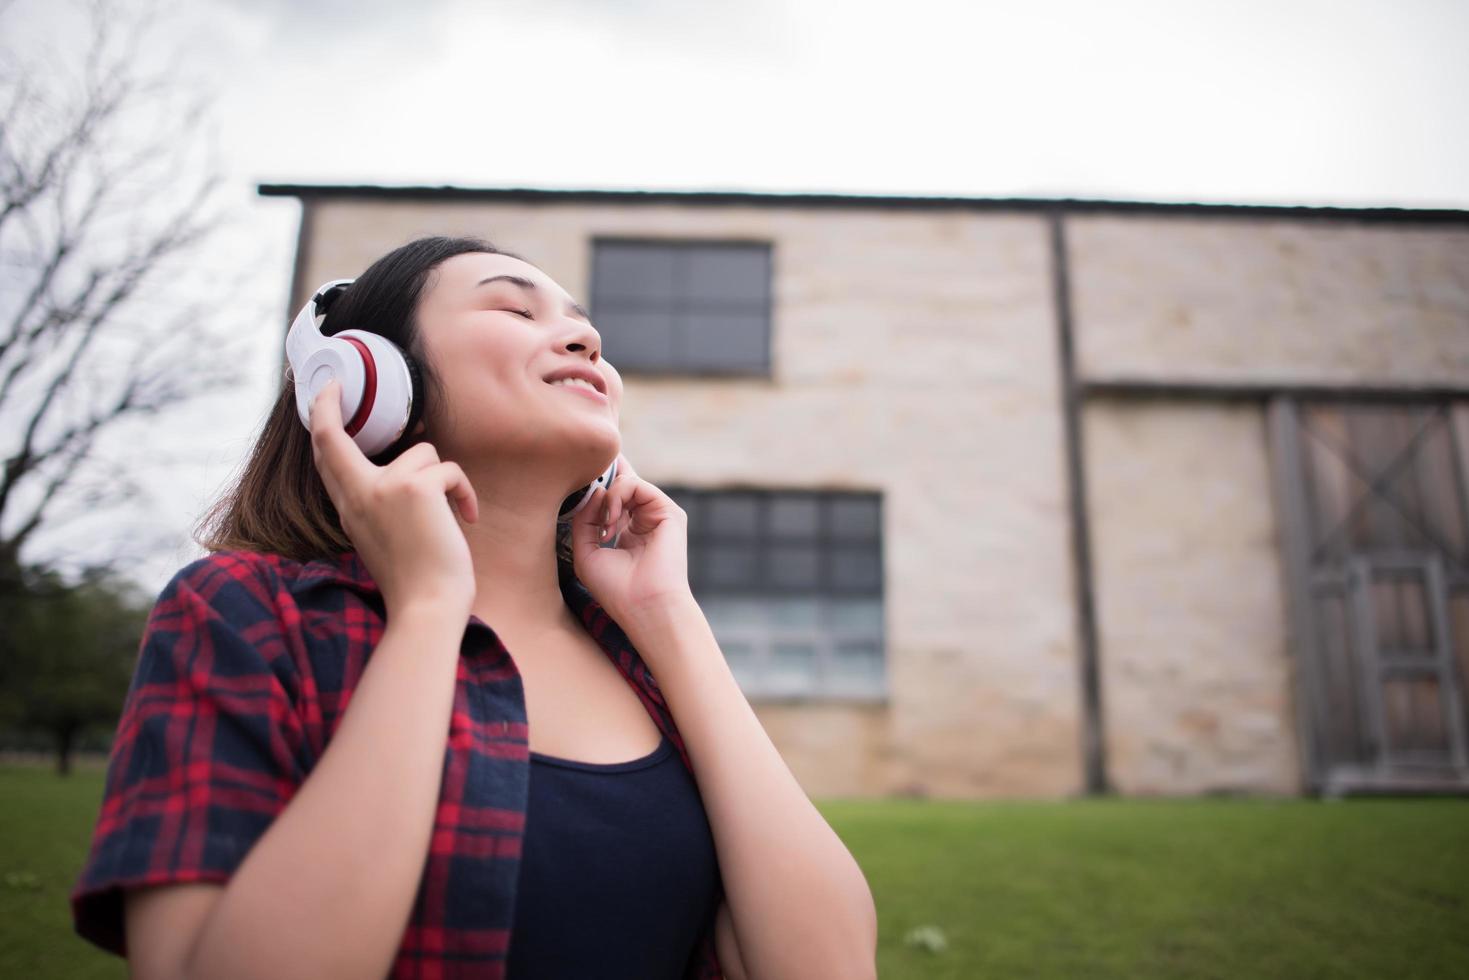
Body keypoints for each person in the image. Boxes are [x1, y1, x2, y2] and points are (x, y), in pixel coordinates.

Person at [69, 236, 879, 979]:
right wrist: (428, 608)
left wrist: (669, 615)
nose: (584, 340)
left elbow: (828, 968)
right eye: (514, 309)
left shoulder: (640, 656)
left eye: (583, 325)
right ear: (369, 383)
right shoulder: (246, 616)